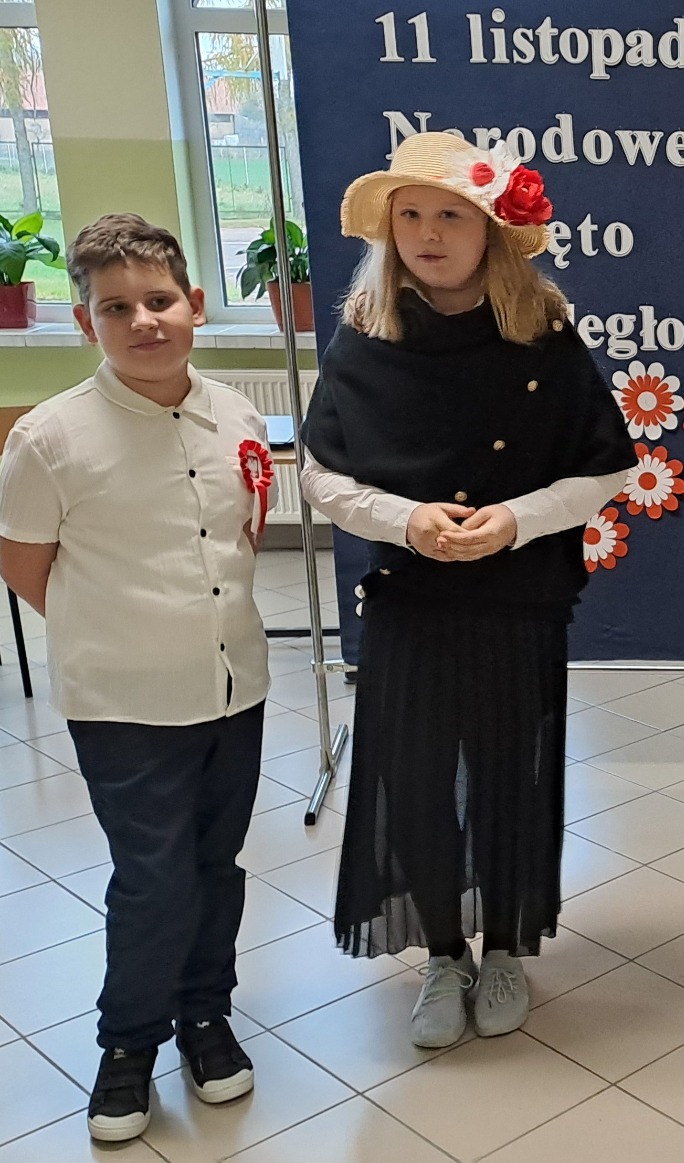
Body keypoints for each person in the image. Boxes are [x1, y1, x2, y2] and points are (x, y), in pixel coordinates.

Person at [300, 132, 635, 1048]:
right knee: (412, 780)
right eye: (410, 214)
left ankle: (505, 948)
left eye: (450, 214)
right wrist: (405, 519)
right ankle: (443, 952)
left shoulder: (542, 333)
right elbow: (321, 475)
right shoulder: (366, 334)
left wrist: (515, 520)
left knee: (507, 774)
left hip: (516, 598)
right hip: (410, 596)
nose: (428, 233)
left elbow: (606, 467)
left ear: (490, 227)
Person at [0, 214, 271, 1142]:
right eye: (116, 308)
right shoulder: (49, 439)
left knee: (215, 866)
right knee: (153, 877)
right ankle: (127, 1042)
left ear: (195, 305)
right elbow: (26, 566)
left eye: (159, 300)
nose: (143, 321)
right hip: (124, 702)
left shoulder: (236, 414)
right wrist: (122, 629)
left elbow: (240, 535)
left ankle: (205, 1015)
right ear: (87, 323)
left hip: (235, 689)